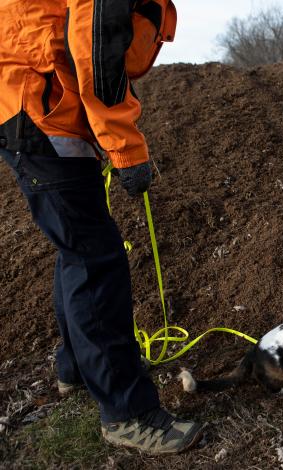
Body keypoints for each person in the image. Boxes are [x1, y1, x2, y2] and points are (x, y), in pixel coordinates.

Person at [0, 1, 203, 453]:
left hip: (39, 104)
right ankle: (127, 412)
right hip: (41, 110)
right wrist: (126, 149)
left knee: (79, 245)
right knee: (95, 256)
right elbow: (97, 48)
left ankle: (74, 367)